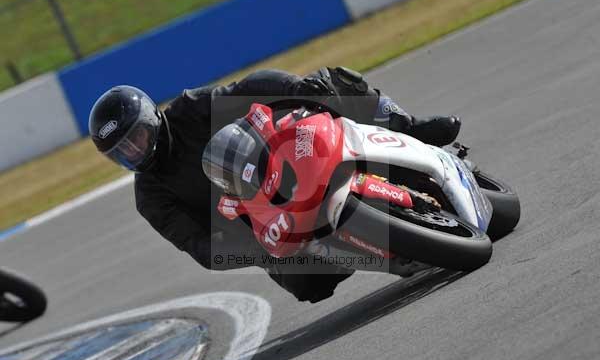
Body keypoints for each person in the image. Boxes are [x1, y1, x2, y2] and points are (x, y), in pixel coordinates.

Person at [88, 67, 460, 303]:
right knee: (308, 286)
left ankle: (409, 127)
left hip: (289, 161)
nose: (136, 151)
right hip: (267, 228)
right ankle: (383, 253)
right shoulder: (150, 196)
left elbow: (249, 88)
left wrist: (298, 87)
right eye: (124, 152)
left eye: (136, 137)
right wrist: (256, 249)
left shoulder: (191, 108)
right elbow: (200, 246)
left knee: (330, 83)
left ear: (151, 118)